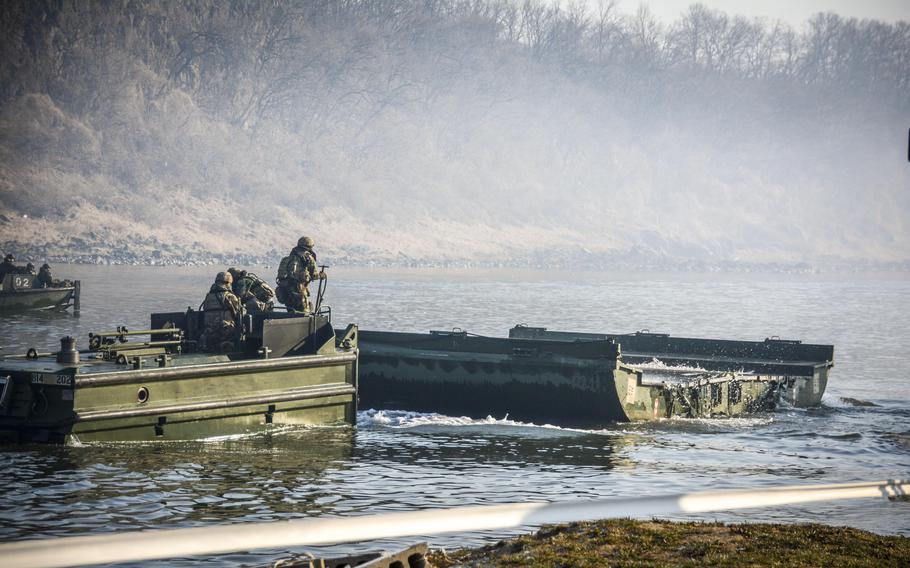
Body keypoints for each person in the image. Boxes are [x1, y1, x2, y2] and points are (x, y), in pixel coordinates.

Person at [276, 236, 325, 314]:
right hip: (298, 289)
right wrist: (322, 275)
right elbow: (314, 275)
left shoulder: (289, 257)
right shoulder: (308, 258)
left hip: (284, 289)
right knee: (304, 313)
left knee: (291, 311)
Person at [199, 271, 242, 352]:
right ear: (228, 283)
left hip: (209, 331)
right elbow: (238, 314)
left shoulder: (208, 296)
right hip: (225, 332)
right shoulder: (229, 296)